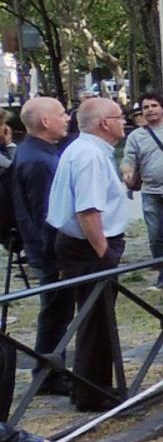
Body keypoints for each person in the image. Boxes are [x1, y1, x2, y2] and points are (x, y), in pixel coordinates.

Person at [44, 97, 131, 416]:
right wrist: (104, 253)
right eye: (119, 116)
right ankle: (93, 393)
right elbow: (88, 210)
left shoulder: (86, 151)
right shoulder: (90, 156)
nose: (125, 120)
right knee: (96, 320)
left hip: (83, 244)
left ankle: (92, 386)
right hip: (89, 246)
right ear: (104, 123)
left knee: (96, 318)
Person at [12, 96, 72, 398]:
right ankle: (47, 373)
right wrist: (57, 257)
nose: (67, 118)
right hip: (49, 253)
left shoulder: (35, 153)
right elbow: (45, 214)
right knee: (55, 312)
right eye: (61, 114)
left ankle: (50, 370)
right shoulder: (38, 160)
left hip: (45, 250)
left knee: (57, 311)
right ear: (45, 122)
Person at [121, 93, 163, 288]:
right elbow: (128, 159)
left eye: (154, 105)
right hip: (151, 191)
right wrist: (127, 173)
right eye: (146, 107)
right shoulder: (136, 136)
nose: (150, 110)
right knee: (156, 236)